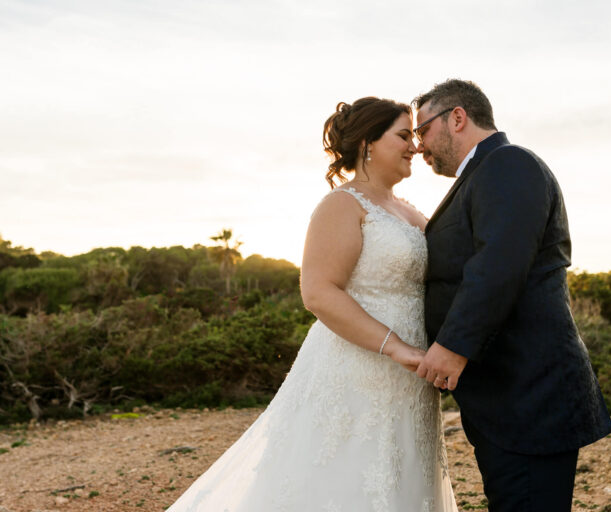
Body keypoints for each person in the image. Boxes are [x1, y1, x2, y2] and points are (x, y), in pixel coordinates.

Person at [166, 97, 458, 511]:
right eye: (404, 135)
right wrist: (395, 346)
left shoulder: (410, 211)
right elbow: (319, 293)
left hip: (411, 377)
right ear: (367, 144)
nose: (415, 146)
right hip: (358, 367)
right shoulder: (342, 205)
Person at [412, 79, 611, 512]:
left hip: (528, 393)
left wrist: (452, 347)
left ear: (458, 118)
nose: (419, 147)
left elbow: (498, 266)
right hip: (506, 393)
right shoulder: (484, 174)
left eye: (422, 131)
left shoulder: (508, 164)